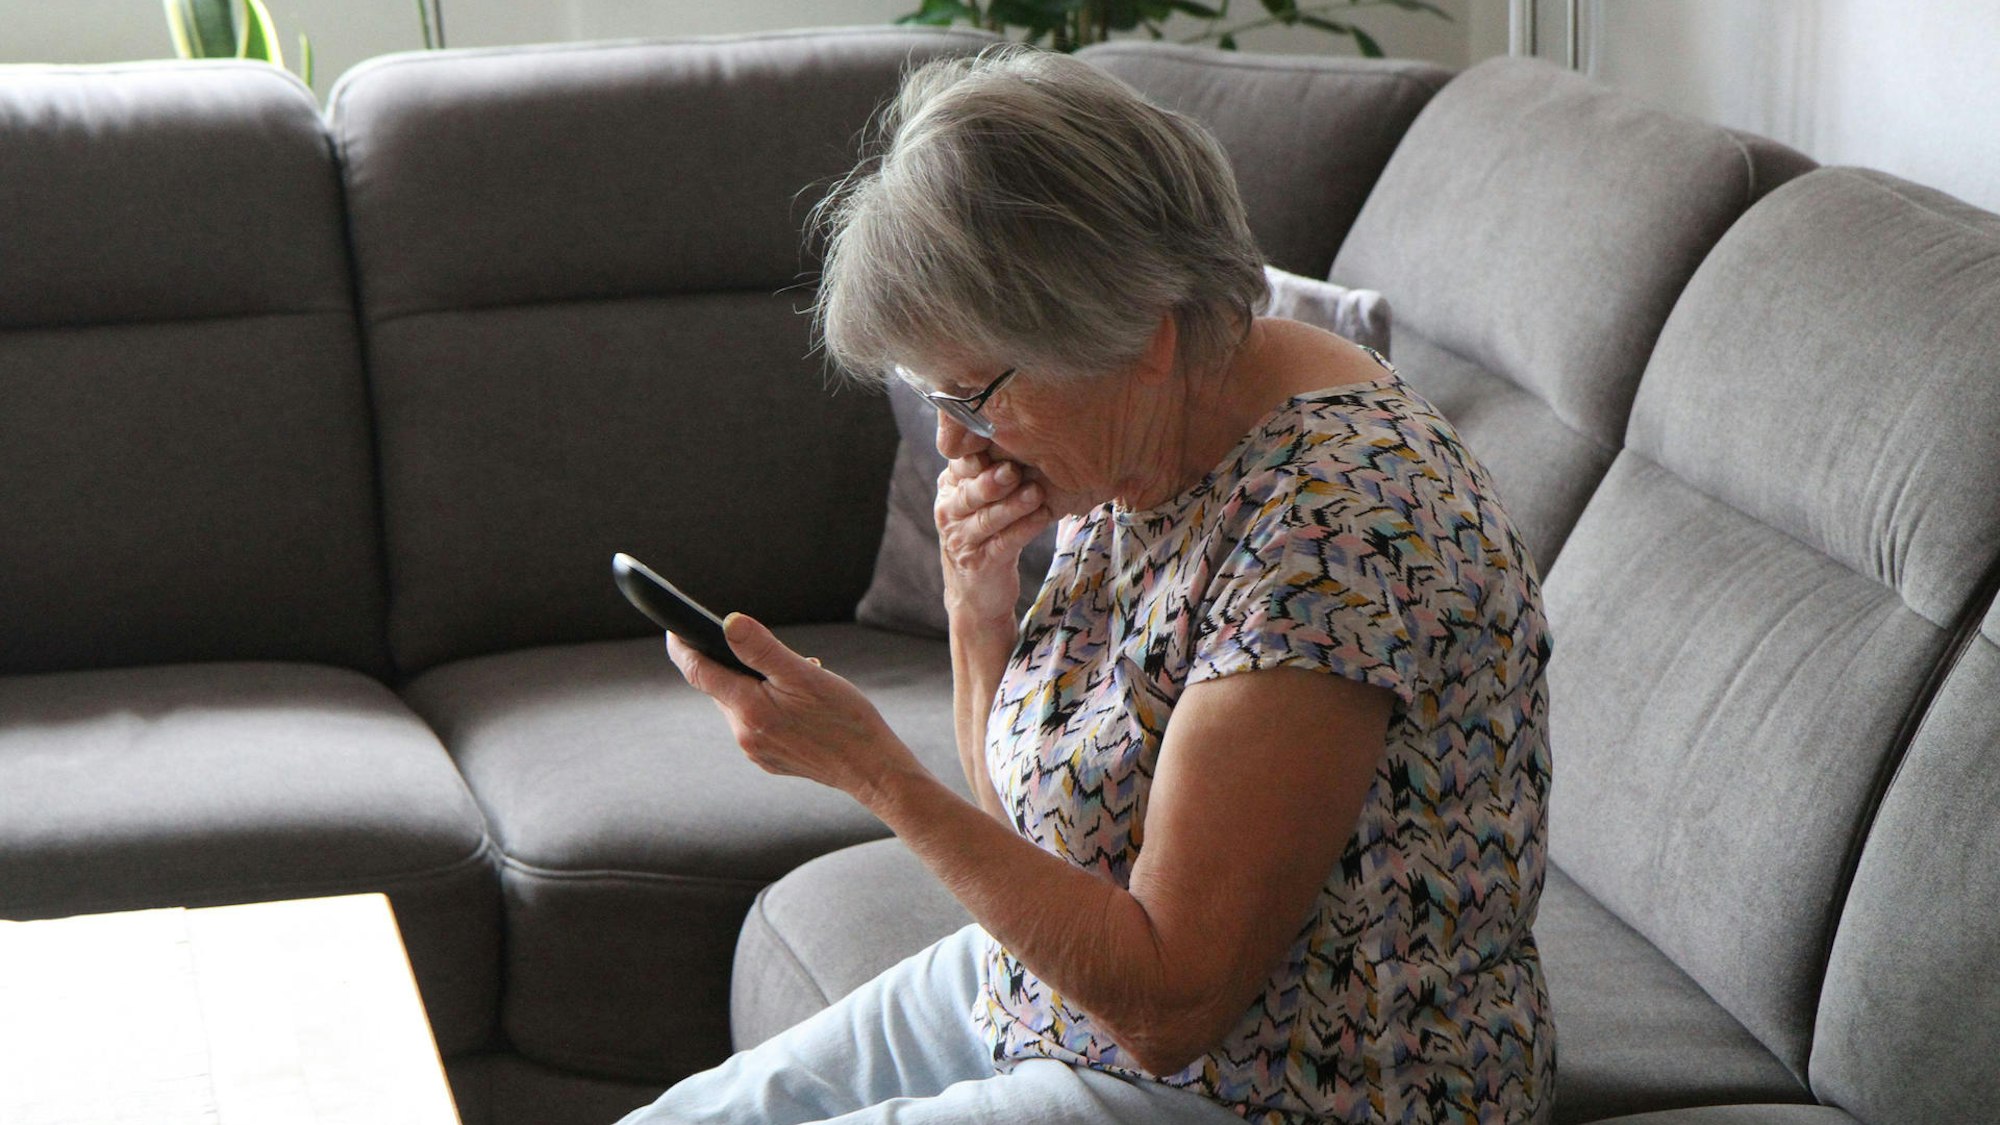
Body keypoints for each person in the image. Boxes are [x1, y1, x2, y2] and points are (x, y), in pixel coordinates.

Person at [619, 43, 1553, 1125]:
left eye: (972, 394)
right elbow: (1037, 833)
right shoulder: (1143, 438)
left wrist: (873, 772)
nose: (951, 442)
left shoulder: (1329, 537)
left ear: (1138, 336)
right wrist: (976, 600)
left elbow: (1168, 1008)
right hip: (1062, 1005)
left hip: (1283, 1093)